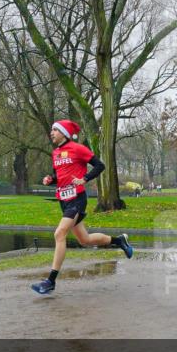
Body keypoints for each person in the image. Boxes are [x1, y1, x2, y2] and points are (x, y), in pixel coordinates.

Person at [31, 120, 134, 295]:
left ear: (64, 132)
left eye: (55, 130)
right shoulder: (55, 153)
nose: (51, 133)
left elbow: (100, 165)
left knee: (59, 233)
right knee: (84, 240)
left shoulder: (78, 148)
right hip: (64, 200)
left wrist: (84, 179)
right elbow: (60, 175)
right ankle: (119, 241)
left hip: (77, 198)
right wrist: (51, 179)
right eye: (51, 130)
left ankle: (50, 281)